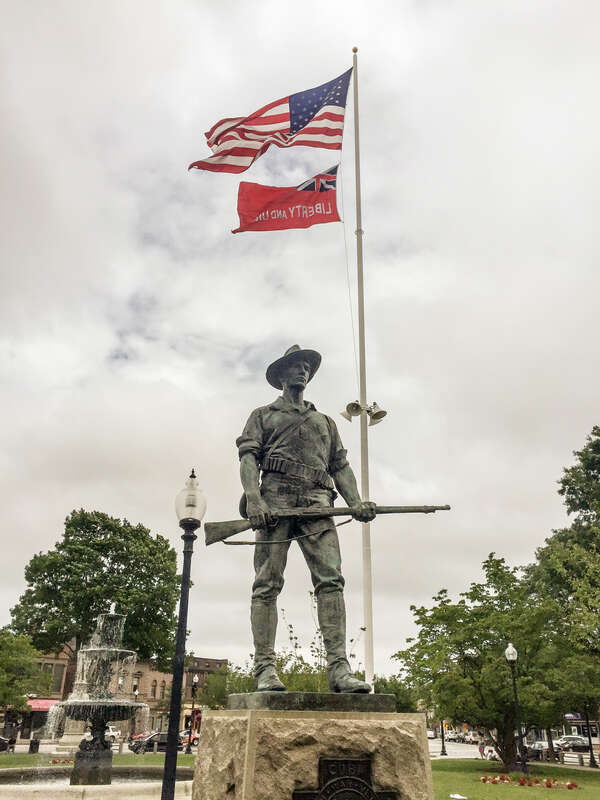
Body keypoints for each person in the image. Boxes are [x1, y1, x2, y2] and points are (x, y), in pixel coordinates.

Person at [236, 345, 376, 693]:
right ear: (282, 375)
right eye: (295, 367)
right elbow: (249, 459)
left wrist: (356, 502)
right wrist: (253, 499)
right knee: (267, 585)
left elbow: (340, 467)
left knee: (331, 582)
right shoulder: (263, 415)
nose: (302, 371)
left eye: (306, 367)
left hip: (318, 504)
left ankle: (339, 671)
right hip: (275, 502)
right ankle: (265, 668)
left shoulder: (324, 422)